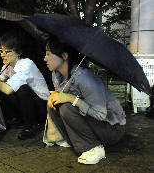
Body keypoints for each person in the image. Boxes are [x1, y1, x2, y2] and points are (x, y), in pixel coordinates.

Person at [44, 36, 126, 165]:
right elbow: (61, 95)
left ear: (64, 56)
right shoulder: (56, 74)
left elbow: (100, 115)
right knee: (53, 103)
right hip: (93, 123)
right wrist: (56, 94)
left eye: (48, 54)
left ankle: (94, 147)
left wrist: (72, 99)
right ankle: (74, 140)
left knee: (66, 107)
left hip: (111, 128)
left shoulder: (85, 79)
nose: (45, 59)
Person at [0, 31, 50, 140]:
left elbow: (8, 90)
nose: (2, 55)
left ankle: (32, 126)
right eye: (1, 51)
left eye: (7, 51)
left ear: (19, 52)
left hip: (42, 107)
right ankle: (16, 119)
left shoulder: (26, 64)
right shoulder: (7, 65)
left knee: (21, 88)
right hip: (28, 105)